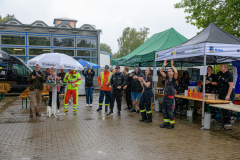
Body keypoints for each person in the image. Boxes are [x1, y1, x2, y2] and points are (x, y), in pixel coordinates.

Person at [160, 60, 178, 129]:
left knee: (170, 111)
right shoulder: (167, 77)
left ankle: (172, 124)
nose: (169, 72)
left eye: (170, 71)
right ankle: (166, 122)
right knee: (164, 110)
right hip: (165, 96)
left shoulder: (174, 79)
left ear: (172, 73)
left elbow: (176, 72)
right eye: (168, 71)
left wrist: (172, 66)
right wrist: (163, 65)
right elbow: (161, 72)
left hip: (170, 97)